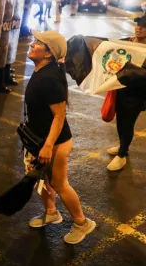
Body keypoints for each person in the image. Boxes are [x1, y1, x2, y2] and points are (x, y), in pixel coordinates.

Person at [25, 30, 96, 244]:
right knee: (43, 179)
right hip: (40, 139)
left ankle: (82, 223)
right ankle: (51, 213)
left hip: (55, 142)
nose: (32, 44)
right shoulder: (43, 69)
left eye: (38, 43)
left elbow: (59, 116)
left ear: (48, 53)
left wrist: (47, 146)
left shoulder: (50, 78)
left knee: (59, 183)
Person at [106, 14, 146, 171]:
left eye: (143, 26)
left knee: (128, 123)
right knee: (120, 121)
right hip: (120, 90)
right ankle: (123, 146)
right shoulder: (128, 42)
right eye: (137, 25)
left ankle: (122, 156)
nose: (138, 28)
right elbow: (108, 47)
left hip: (137, 94)